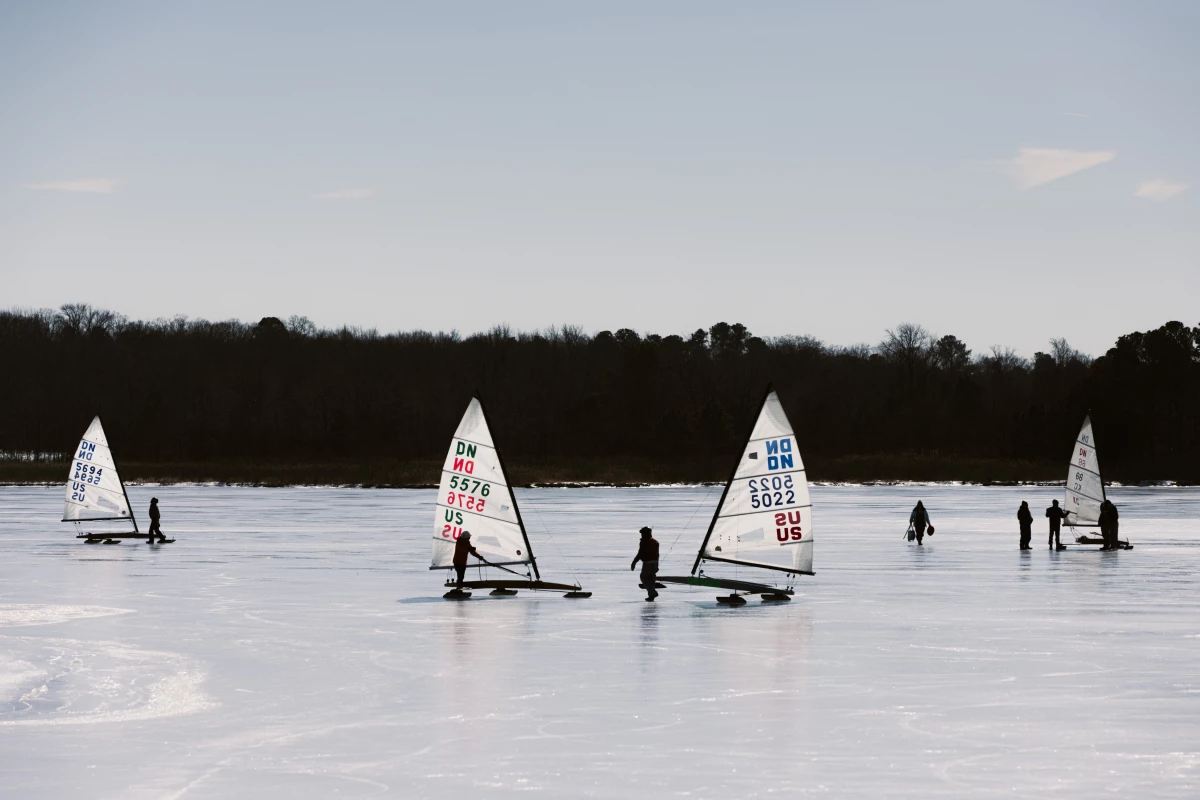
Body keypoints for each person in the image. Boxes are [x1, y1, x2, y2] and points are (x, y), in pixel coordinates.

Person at [630, 527, 660, 601]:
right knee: (651, 579)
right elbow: (657, 554)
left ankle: (653, 593)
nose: (641, 535)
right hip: (655, 562)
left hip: (647, 563)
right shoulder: (655, 542)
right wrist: (657, 565)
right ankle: (651, 596)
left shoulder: (645, 542)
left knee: (644, 577)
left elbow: (640, 554)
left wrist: (634, 562)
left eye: (642, 533)